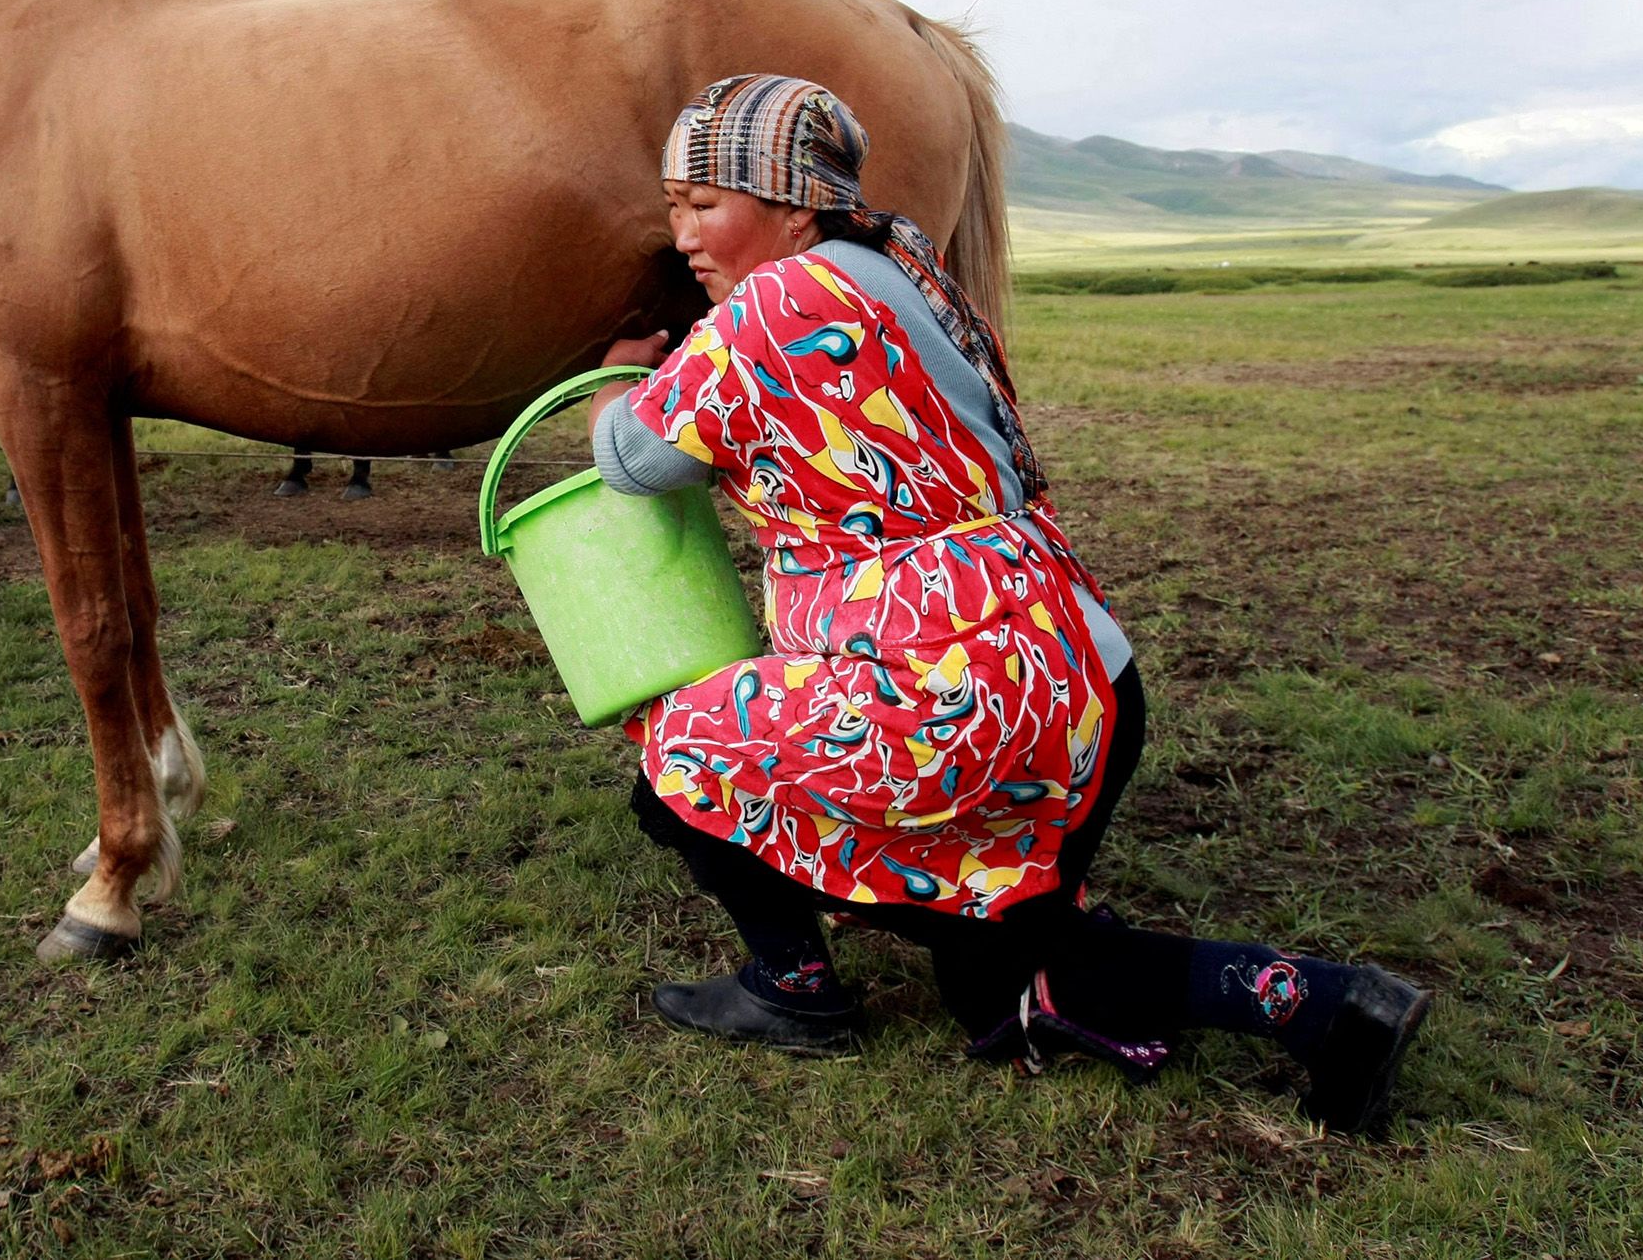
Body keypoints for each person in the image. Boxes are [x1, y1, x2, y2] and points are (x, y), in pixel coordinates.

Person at [587, 74, 1428, 1134]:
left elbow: (632, 459)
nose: (684, 236)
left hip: (954, 692)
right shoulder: (897, 269)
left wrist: (615, 380)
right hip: (1073, 671)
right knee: (1003, 979)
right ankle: (1325, 1006)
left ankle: (789, 987)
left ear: (795, 200)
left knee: (681, 753)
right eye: (672, 207)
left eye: (704, 203)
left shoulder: (782, 300)